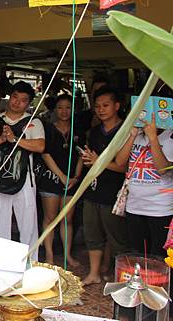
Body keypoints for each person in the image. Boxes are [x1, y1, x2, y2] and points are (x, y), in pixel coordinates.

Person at [0, 81, 45, 259]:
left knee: (28, 223)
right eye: (15, 97)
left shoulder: (33, 122)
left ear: (28, 103)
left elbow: (39, 146)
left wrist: (14, 139)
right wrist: (2, 139)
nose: (17, 102)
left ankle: (31, 264)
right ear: (10, 97)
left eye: (23, 100)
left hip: (25, 179)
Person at [80, 86, 127, 286]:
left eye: (106, 105)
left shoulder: (126, 132)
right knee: (92, 234)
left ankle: (120, 278)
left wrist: (98, 161)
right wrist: (88, 160)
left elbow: (123, 167)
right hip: (93, 189)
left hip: (114, 193)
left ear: (117, 106)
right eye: (98, 106)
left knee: (117, 238)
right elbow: (90, 159)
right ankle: (94, 273)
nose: (101, 110)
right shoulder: (93, 132)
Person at [115, 113, 173, 256]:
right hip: (134, 206)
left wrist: (153, 137)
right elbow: (120, 162)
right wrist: (133, 134)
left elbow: (162, 169)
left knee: (159, 256)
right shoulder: (137, 135)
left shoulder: (170, 137)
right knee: (137, 254)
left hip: (160, 208)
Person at [36, 94, 83, 266]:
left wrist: (76, 177)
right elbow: (45, 154)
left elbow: (80, 155)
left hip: (71, 181)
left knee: (67, 220)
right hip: (50, 179)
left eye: (68, 107)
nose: (64, 111)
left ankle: (67, 255)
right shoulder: (48, 128)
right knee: (50, 219)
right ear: (54, 110)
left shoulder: (78, 130)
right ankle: (49, 255)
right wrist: (62, 177)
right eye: (60, 107)